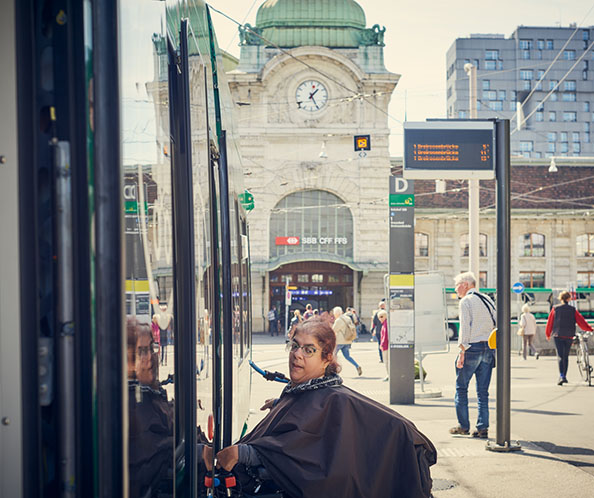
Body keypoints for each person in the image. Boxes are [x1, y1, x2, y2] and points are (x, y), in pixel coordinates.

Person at [205, 318, 436, 497]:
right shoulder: (308, 391)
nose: (297, 354)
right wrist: (281, 405)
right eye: (294, 346)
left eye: (308, 350)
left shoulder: (332, 400)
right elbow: (307, 421)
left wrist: (245, 454)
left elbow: (304, 447)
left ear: (326, 359)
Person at [449, 272, 496, 439]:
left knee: (461, 388)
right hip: (489, 348)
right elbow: (496, 323)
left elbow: (465, 328)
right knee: (483, 392)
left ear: (466, 284)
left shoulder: (466, 302)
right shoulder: (488, 300)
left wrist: (462, 351)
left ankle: (463, 426)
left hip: (472, 348)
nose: (456, 289)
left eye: (457, 285)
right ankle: (483, 427)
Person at [545, 290, 593, 385]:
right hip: (569, 335)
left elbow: (550, 322)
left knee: (560, 356)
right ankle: (564, 376)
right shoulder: (572, 309)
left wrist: (548, 334)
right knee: (565, 356)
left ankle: (562, 376)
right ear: (569, 299)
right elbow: (581, 322)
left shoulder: (555, 309)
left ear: (561, 299)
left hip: (557, 335)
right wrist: (590, 329)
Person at [332, 306, 363, 376]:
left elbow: (333, 330)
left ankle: (334, 371)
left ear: (336, 313)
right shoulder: (347, 318)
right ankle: (357, 366)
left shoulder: (338, 320)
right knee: (347, 356)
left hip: (339, 342)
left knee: (333, 356)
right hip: (348, 340)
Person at [378, 310, 389, 381]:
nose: (380, 319)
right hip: (386, 345)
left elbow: (385, 336)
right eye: (379, 317)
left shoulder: (385, 324)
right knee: (386, 361)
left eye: (382, 317)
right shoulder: (385, 323)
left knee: (386, 361)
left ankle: (389, 375)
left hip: (386, 346)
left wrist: (381, 344)